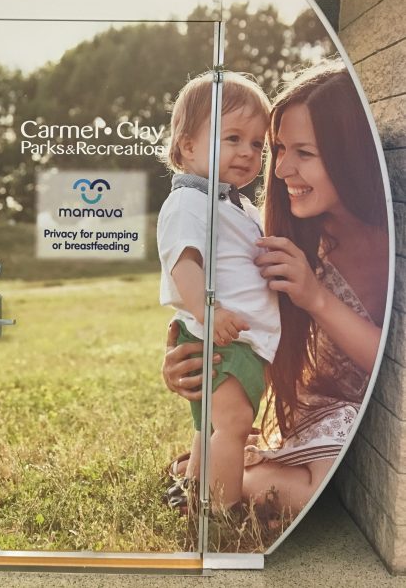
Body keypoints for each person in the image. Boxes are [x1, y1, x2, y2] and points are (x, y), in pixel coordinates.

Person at [162, 60, 389, 515]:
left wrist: (316, 297)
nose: (281, 167)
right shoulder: (279, 235)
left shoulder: (390, 238)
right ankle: (218, 475)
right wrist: (183, 357)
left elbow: (391, 365)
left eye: (304, 152)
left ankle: (223, 472)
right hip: (321, 415)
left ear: (351, 154)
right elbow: (206, 282)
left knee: (354, 490)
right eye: (279, 147)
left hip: (373, 415)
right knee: (323, 492)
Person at [157, 71, 280, 508]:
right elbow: (183, 264)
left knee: (211, 424)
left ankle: (192, 487)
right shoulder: (189, 202)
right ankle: (220, 509)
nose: (248, 152)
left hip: (238, 337)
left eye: (256, 144)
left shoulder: (234, 203)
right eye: (233, 138)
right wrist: (210, 313)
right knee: (232, 423)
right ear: (188, 146)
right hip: (222, 335)